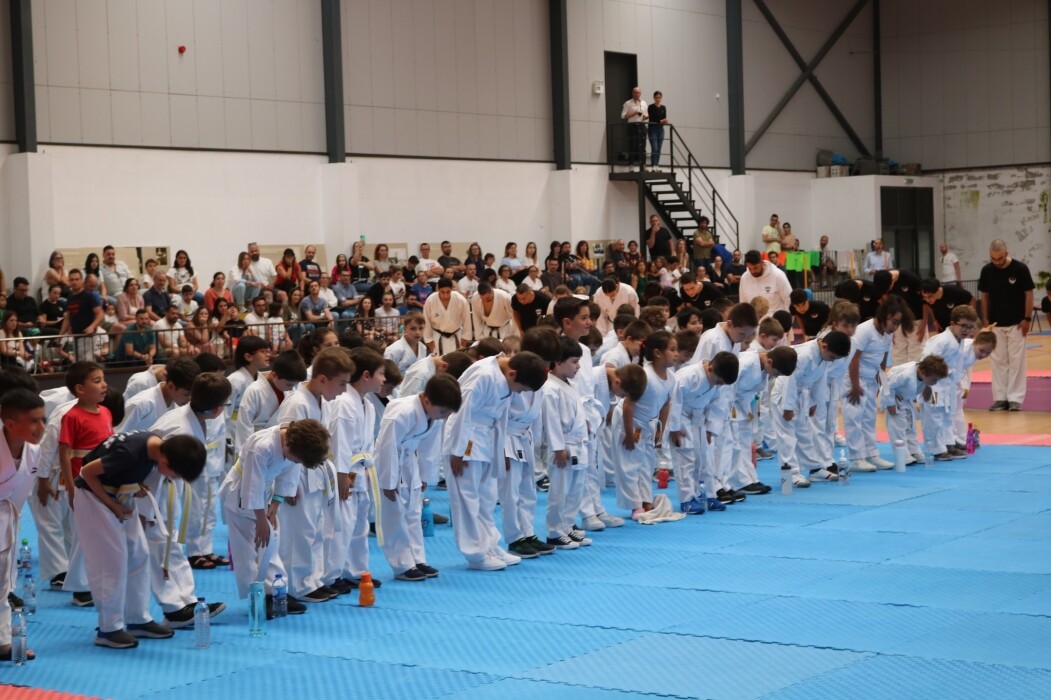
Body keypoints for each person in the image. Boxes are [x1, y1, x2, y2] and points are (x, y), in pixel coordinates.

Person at [443, 351, 548, 570]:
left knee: (487, 498)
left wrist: (500, 451)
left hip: (488, 439)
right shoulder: (483, 375)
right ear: (512, 374)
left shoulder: (505, 377)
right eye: (521, 389)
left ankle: (490, 545)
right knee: (468, 499)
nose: (519, 393)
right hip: (466, 438)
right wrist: (458, 451)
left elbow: (501, 418)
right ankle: (475, 554)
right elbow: (461, 411)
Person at [220, 419, 329, 618]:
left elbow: (289, 473)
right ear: (289, 446)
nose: (297, 462)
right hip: (240, 495)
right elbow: (252, 487)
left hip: (265, 494)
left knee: (271, 545)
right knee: (247, 551)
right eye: (297, 459)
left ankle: (275, 593)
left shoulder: (294, 444)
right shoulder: (262, 448)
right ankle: (256, 597)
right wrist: (261, 520)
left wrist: (276, 504)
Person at [276, 348, 353, 603]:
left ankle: (313, 579)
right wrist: (286, 486)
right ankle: (297, 585)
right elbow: (285, 445)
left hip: (317, 473)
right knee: (299, 533)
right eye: (341, 383)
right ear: (322, 378)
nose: (344, 390)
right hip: (296, 476)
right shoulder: (296, 403)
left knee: (316, 531)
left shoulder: (322, 402)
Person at [375, 374, 459, 580]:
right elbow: (387, 447)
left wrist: (424, 476)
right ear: (427, 400)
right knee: (395, 514)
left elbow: (429, 449)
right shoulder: (401, 413)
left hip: (410, 462)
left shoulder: (434, 416)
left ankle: (417, 559)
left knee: (414, 512)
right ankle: (402, 565)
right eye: (442, 412)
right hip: (390, 462)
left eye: (447, 413)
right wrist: (388, 482)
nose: (443, 417)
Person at [326, 348, 384, 590]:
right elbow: (339, 444)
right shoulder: (344, 403)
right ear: (366, 375)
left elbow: (368, 444)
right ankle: (332, 575)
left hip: (361, 470)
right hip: (346, 470)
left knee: (359, 524)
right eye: (381, 374)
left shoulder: (366, 404)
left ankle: (356, 570)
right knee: (341, 524)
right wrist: (342, 475)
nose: (384, 379)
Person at [58, 361, 114, 607]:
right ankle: (79, 588)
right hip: (81, 482)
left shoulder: (106, 412)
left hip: (105, 479)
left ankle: (95, 580)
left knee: (102, 532)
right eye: (97, 381)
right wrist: (70, 487)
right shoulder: (72, 417)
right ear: (80, 389)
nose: (104, 385)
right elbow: (64, 454)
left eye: (103, 379)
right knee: (83, 535)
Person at [771, 331, 852, 486]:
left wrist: (813, 402)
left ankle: (814, 469)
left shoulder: (823, 355)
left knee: (805, 433)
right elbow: (789, 379)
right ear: (824, 346)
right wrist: (787, 407)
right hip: (784, 395)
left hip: (802, 395)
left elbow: (819, 379)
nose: (833, 361)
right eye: (833, 357)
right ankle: (790, 475)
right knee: (787, 436)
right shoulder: (805, 355)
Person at [611, 330, 676, 519]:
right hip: (628, 421)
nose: (676, 354)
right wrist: (629, 433)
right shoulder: (645, 375)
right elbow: (628, 405)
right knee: (629, 466)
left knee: (647, 464)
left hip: (649, 424)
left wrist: (660, 430)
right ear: (657, 353)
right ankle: (635, 505)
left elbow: (666, 404)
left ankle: (646, 499)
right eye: (672, 350)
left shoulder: (671, 378)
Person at [843, 296, 911, 473]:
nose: (895, 327)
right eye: (894, 322)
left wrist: (879, 382)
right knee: (854, 417)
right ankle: (856, 457)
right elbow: (853, 360)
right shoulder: (864, 331)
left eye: (898, 323)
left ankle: (871, 453)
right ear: (884, 315)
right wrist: (855, 386)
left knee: (869, 417)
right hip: (853, 378)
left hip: (872, 378)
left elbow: (883, 358)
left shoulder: (887, 333)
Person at [0, 388, 44, 660]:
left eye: (42, 420)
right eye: (33, 421)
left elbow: (20, 492)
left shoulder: (34, 452)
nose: (41, 427)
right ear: (10, 423)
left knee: (3, 583)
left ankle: (3, 641)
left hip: (6, 517)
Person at [669, 351, 739, 513]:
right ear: (710, 369)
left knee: (705, 459)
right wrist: (674, 428)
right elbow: (673, 402)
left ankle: (709, 495)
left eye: (722, 384)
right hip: (681, 417)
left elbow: (716, 405)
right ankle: (687, 500)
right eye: (718, 381)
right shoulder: (687, 376)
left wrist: (711, 428)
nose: (719, 385)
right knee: (686, 459)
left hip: (700, 419)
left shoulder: (717, 381)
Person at [541, 336, 591, 548]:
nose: (578, 366)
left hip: (577, 444)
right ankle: (554, 531)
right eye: (574, 361)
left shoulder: (569, 384)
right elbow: (551, 421)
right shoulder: (549, 388)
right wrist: (558, 448)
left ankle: (568, 525)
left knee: (575, 489)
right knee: (559, 491)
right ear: (558, 362)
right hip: (562, 446)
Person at [978, 240, 1034, 412]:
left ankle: (1015, 399)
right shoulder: (987, 271)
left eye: (1000, 258)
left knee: (1017, 362)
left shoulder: (1020, 269)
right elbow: (984, 296)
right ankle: (1000, 398)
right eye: (993, 259)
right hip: (995, 323)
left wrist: (1027, 318)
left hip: (1017, 323)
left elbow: (1029, 294)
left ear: (1006, 253)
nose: (997, 262)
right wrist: (985, 319)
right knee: (998, 361)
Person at [919, 305, 978, 461]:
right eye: (963, 326)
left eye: (970, 327)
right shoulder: (941, 341)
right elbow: (926, 362)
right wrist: (925, 387)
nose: (966, 330)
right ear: (953, 323)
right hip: (933, 385)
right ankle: (935, 449)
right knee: (934, 418)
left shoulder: (959, 341)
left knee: (947, 416)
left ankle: (948, 444)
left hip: (949, 385)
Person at [880, 355, 949, 466]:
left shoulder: (925, 375)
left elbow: (926, 396)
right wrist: (890, 403)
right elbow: (887, 384)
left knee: (911, 426)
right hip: (893, 396)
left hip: (906, 399)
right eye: (934, 380)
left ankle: (914, 451)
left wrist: (928, 386)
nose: (935, 382)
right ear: (923, 372)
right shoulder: (905, 374)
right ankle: (902, 455)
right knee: (898, 427)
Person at [60, 269, 105, 362]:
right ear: (69, 281)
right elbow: (67, 318)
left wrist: (92, 326)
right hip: (76, 335)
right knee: (79, 362)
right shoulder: (70, 298)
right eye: (72, 280)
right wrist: (60, 336)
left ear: (82, 281)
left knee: (87, 362)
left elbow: (100, 314)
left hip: (88, 335)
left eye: (77, 279)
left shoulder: (88, 296)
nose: (74, 282)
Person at [422, 278, 470, 354]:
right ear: (438, 289)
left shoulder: (460, 300)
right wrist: (428, 339)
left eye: (448, 292)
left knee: (457, 359)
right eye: (442, 292)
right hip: (438, 337)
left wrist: (466, 336)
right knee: (440, 360)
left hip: (456, 335)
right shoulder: (430, 301)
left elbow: (467, 319)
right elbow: (426, 321)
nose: (445, 295)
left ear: (451, 289)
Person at [738, 250, 792, 316]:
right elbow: (743, 303)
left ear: (762, 263)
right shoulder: (744, 277)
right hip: (754, 320)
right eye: (750, 268)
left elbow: (788, 299)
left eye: (755, 268)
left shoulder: (778, 275)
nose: (753, 271)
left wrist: (787, 319)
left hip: (775, 319)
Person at [621, 86, 647, 169]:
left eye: (638, 92)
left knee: (643, 146)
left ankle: (643, 165)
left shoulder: (644, 103)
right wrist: (634, 113)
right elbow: (623, 116)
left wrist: (645, 117)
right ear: (632, 93)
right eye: (635, 92)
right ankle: (631, 165)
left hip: (642, 125)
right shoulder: (628, 103)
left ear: (640, 93)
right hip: (632, 126)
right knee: (632, 145)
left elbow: (646, 114)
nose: (636, 94)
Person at [647, 90, 668, 171]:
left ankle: (657, 164)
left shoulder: (663, 108)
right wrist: (661, 121)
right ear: (654, 98)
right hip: (653, 128)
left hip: (660, 129)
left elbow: (664, 117)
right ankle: (653, 165)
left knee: (659, 148)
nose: (658, 99)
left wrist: (665, 121)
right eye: (656, 97)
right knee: (654, 147)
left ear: (661, 98)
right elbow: (652, 118)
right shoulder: (651, 107)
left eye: (659, 97)